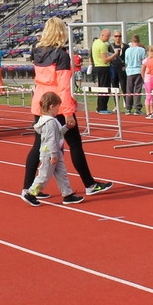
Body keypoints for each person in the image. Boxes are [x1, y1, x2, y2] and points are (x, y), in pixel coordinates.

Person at [23, 17, 112, 196]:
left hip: (40, 101)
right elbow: (63, 86)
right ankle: (90, 184)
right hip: (56, 104)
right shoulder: (61, 55)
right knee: (75, 144)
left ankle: (28, 187)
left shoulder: (36, 50)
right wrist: (69, 111)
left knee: (38, 144)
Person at [22, 91, 83, 206]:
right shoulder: (50, 122)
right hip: (50, 154)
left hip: (55, 153)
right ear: (51, 106)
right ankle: (30, 194)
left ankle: (67, 195)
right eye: (57, 108)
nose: (58, 110)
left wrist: (66, 128)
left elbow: (58, 134)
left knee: (62, 174)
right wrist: (53, 155)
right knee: (44, 175)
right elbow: (51, 140)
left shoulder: (49, 120)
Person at [91, 28, 114, 113]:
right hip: (103, 67)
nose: (108, 38)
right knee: (105, 87)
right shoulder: (102, 45)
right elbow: (105, 60)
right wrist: (114, 55)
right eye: (107, 36)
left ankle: (100, 107)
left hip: (97, 66)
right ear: (102, 35)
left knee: (102, 87)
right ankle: (102, 108)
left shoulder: (95, 43)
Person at [124, 33, 146, 113]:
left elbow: (126, 62)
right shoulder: (142, 50)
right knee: (137, 89)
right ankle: (137, 108)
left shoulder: (127, 50)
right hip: (138, 70)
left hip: (129, 71)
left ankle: (128, 108)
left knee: (129, 90)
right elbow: (143, 61)